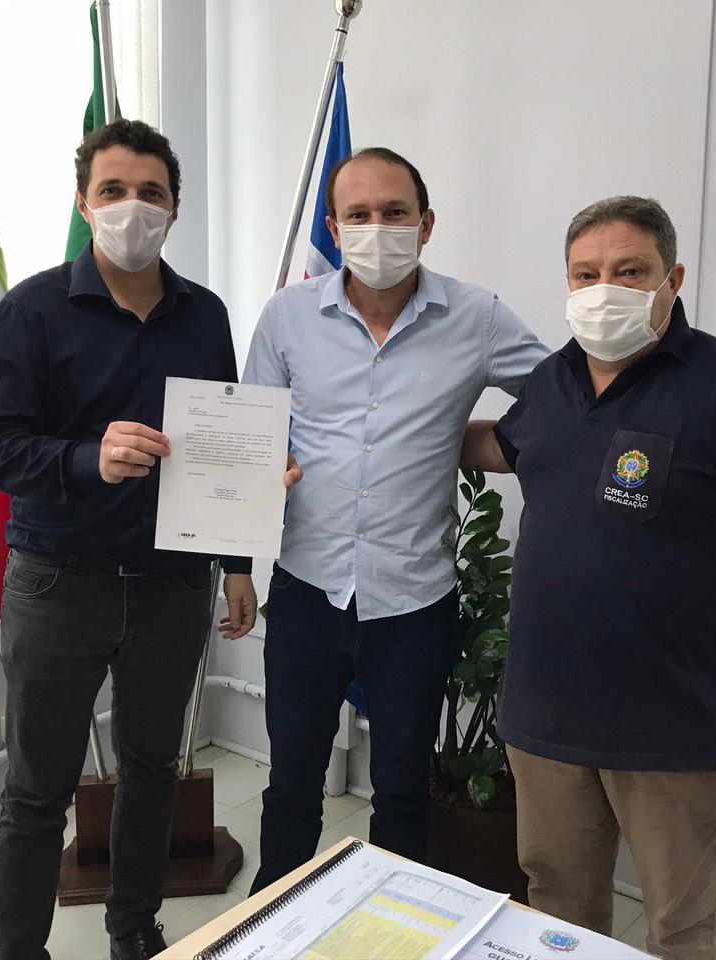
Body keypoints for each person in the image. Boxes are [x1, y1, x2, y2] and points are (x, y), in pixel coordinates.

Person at [0, 119, 297, 960]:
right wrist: (85, 458)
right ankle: (18, 950)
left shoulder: (204, 314)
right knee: (37, 788)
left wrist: (240, 557)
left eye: (151, 193)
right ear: (84, 202)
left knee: (152, 772)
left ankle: (134, 930)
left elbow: (220, 446)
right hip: (58, 583)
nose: (132, 208)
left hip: (173, 586)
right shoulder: (32, 310)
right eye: (113, 191)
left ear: (174, 209)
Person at [461, 196, 716, 960]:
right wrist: (386, 431)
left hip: (671, 729)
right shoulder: (553, 380)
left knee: (680, 928)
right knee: (558, 914)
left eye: (630, 271)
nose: (605, 289)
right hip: (545, 721)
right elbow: (504, 447)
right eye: (586, 273)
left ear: (674, 278)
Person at [242, 147, 550, 892]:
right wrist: (259, 485)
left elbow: (563, 400)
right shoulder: (287, 316)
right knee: (291, 783)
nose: (376, 227)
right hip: (307, 590)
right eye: (358, 214)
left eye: (394, 212)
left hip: (414, 603)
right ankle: (272, 921)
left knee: (404, 791)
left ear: (426, 223)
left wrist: (476, 442)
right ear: (333, 227)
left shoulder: (476, 317)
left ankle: (394, 928)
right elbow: (250, 436)